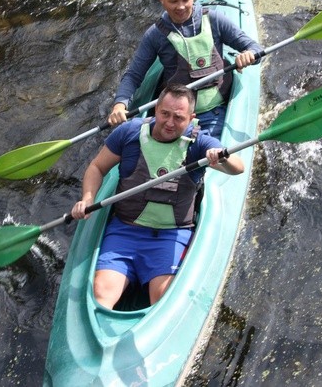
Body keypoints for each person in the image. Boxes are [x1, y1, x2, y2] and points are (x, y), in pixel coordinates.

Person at [72, 84, 244, 310]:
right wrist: (87, 197)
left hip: (170, 236)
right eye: (165, 114)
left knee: (163, 299)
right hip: (125, 230)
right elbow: (96, 167)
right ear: (156, 109)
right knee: (101, 295)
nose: (170, 123)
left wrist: (221, 159)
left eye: (179, 117)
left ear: (191, 118)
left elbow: (238, 168)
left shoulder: (200, 142)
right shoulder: (130, 132)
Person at [108, 0, 263, 138]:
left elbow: (255, 49)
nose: (180, 7)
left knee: (206, 156)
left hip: (213, 111)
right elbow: (133, 75)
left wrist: (248, 55)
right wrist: (120, 104)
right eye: (173, 1)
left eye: (185, 0)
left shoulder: (214, 20)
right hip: (174, 117)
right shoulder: (155, 34)